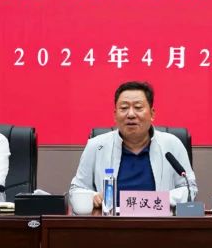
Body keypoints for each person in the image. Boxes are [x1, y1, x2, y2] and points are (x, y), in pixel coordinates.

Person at [71, 81, 197, 209]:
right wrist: (92, 196)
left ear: (152, 113)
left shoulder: (172, 144)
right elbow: (76, 189)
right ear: (115, 115)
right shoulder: (96, 146)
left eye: (138, 107)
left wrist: (155, 201)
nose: (131, 114)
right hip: (111, 220)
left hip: (158, 219)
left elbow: (190, 188)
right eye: (124, 108)